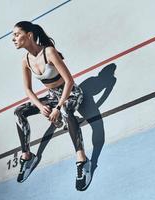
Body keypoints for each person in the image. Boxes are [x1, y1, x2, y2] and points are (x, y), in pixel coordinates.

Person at [12, 21, 91, 191]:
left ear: (30, 35)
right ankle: (27, 156)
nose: (14, 39)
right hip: (52, 97)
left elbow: (69, 81)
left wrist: (58, 107)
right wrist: (40, 106)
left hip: (70, 94)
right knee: (19, 112)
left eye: (17, 34)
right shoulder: (25, 60)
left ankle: (82, 160)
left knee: (64, 110)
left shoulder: (49, 52)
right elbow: (27, 89)